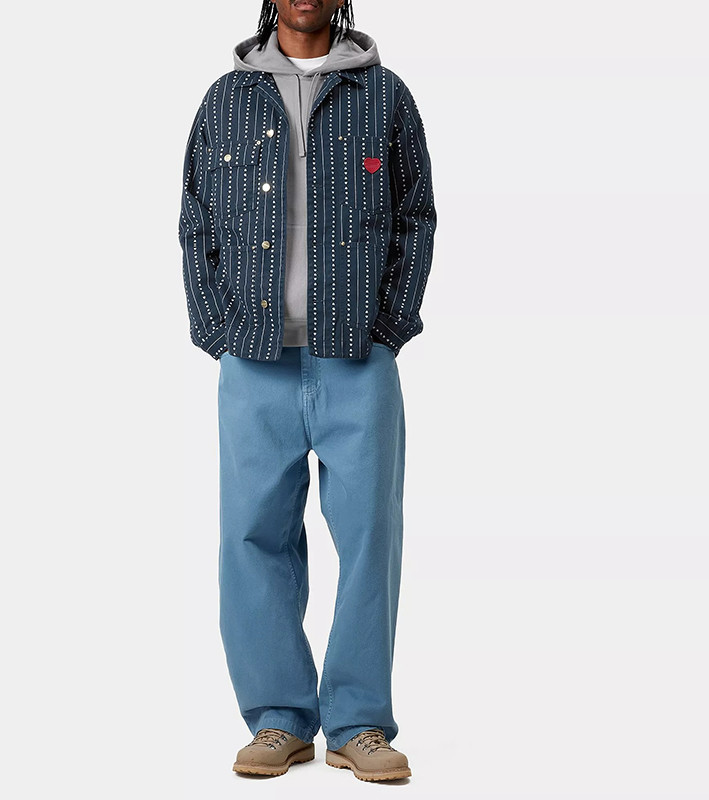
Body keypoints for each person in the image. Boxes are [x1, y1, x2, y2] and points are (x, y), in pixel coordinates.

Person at [179, 0, 436, 782]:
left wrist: (388, 325)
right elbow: (195, 220)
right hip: (254, 359)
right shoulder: (226, 98)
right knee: (251, 537)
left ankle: (359, 723)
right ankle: (278, 718)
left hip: (357, 356)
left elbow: (415, 216)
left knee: (370, 539)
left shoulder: (384, 94)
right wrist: (217, 330)